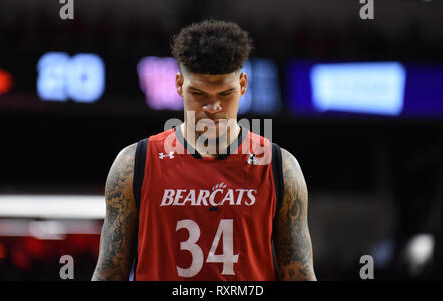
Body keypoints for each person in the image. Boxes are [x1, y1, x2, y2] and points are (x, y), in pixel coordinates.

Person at [92, 19, 316, 281]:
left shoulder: (280, 167)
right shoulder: (134, 164)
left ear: (243, 85)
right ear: (178, 85)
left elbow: (300, 275)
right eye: (198, 93)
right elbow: (109, 273)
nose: (212, 107)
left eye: (225, 93)